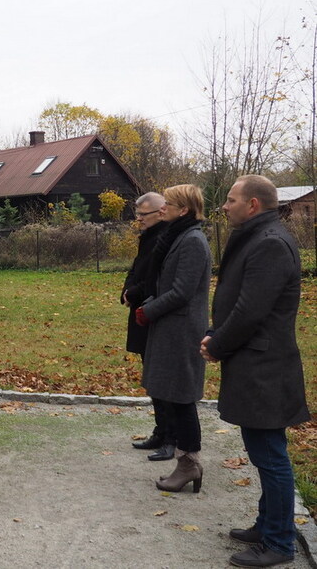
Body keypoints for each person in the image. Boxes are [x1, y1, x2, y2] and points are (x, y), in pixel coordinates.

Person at [201, 175, 311, 568]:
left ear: (252, 205)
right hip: (255, 362)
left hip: (264, 366)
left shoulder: (269, 244)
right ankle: (268, 524)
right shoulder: (260, 237)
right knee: (265, 451)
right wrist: (216, 333)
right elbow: (237, 300)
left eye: (231, 200)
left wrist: (217, 345)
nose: (224, 206)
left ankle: (279, 542)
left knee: (270, 455)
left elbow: (251, 310)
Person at [134, 184, 211, 493]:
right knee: (174, 396)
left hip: (181, 330)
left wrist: (148, 310)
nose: (162, 208)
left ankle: (189, 463)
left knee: (181, 399)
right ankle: (186, 463)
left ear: (184, 210)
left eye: (169, 204)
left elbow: (182, 291)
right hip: (171, 328)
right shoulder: (179, 236)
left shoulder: (192, 240)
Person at [121, 192, 174, 461]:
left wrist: (136, 292)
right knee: (152, 378)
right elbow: (137, 269)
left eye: (144, 215)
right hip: (142, 311)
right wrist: (127, 290)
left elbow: (158, 278)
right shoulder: (149, 238)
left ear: (161, 212)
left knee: (163, 380)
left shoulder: (166, 239)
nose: (139, 220)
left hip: (154, 313)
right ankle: (160, 431)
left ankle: (170, 437)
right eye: (138, 214)